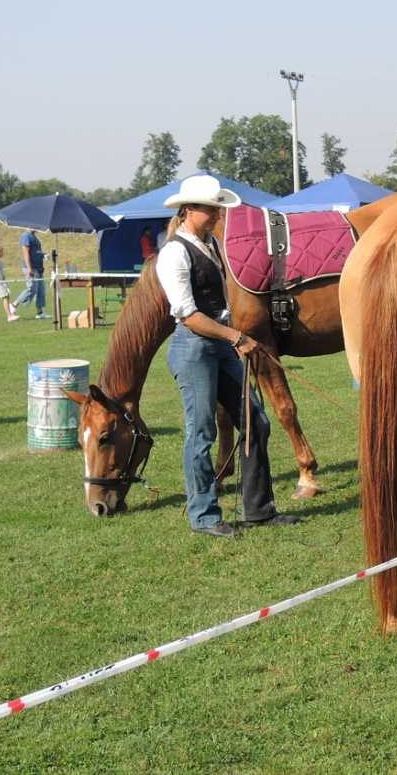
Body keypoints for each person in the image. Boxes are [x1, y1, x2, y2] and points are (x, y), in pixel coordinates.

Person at [158, 174, 298, 538]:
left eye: (218, 209)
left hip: (219, 344)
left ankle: (259, 510)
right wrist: (237, 336)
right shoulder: (174, 252)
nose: (216, 215)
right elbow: (188, 315)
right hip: (194, 348)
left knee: (256, 422)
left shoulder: (212, 246)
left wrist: (233, 334)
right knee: (201, 432)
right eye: (209, 209)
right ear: (188, 211)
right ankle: (204, 516)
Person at [14, 229, 49, 319]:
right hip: (31, 268)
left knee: (41, 290)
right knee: (31, 289)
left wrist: (44, 255)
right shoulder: (26, 236)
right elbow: (26, 253)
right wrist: (29, 268)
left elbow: (36, 252)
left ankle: (40, 313)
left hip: (39, 268)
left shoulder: (34, 237)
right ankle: (13, 305)